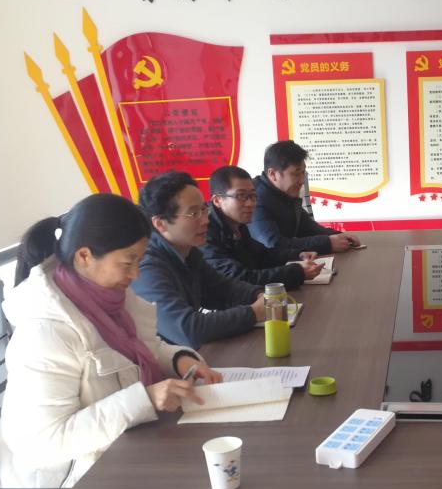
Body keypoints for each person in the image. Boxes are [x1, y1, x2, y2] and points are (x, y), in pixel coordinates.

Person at [0, 193, 221, 489]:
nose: (136, 274)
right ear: (85, 256)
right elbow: (45, 442)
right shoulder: (46, 331)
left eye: (140, 260)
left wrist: (180, 359)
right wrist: (145, 399)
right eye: (128, 262)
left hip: (119, 454)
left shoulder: (106, 297)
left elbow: (144, 350)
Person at [132, 171, 265, 349]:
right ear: (160, 223)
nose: (205, 220)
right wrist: (253, 313)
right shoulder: (146, 267)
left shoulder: (188, 252)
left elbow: (223, 289)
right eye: (194, 213)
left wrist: (260, 295)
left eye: (204, 209)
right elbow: (187, 330)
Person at [203, 165, 323, 290]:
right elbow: (240, 278)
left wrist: (298, 255)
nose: (250, 203)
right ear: (217, 200)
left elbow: (262, 255)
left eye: (253, 196)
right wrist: (297, 272)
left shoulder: (235, 223)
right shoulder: (205, 232)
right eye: (241, 196)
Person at [249, 140, 361, 254]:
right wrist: (327, 243)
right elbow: (274, 245)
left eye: (303, 172)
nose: (302, 181)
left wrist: (339, 236)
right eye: (296, 174)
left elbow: (308, 228)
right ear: (273, 174)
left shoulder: (285, 193)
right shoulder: (255, 199)